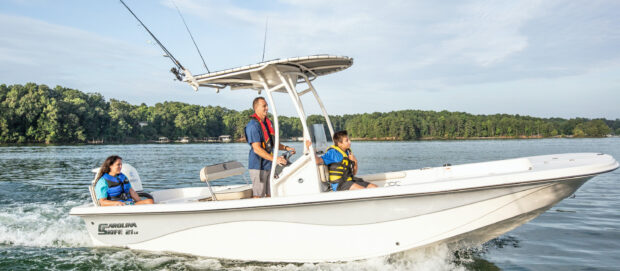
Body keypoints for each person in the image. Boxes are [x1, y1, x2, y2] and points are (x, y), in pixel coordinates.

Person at [245, 96, 296, 198]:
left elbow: (272, 143)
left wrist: (286, 148)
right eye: (264, 106)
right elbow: (257, 149)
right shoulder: (253, 126)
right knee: (258, 196)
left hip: (269, 165)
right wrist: (276, 159)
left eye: (267, 105)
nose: (267, 108)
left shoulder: (268, 124)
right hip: (258, 167)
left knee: (271, 193)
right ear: (256, 108)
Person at [307, 130, 377, 191]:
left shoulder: (348, 152)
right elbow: (317, 161)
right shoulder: (333, 153)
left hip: (350, 181)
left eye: (349, 139)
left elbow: (354, 173)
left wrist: (355, 161)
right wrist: (310, 149)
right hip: (339, 184)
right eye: (347, 140)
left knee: (374, 187)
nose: (350, 142)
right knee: (364, 191)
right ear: (339, 144)